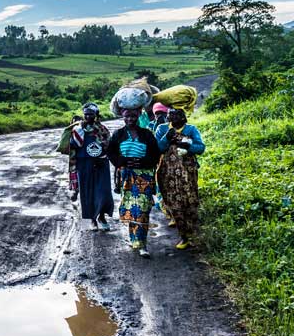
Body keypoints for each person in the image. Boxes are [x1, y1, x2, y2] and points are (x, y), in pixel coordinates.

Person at [106, 107, 161, 257]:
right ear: (123, 117)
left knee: (143, 209)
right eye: (127, 117)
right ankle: (135, 240)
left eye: (133, 116)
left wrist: (142, 162)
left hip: (145, 177)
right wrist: (122, 162)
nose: (130, 119)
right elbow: (110, 152)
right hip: (127, 177)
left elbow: (156, 154)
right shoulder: (118, 134)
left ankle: (142, 243)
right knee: (131, 208)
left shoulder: (146, 134)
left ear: (137, 117)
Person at [154, 108, 205, 250]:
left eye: (177, 115)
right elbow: (157, 148)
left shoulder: (191, 129)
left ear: (184, 118)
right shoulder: (162, 128)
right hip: (167, 173)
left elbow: (200, 148)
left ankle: (193, 234)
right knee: (174, 202)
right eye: (171, 115)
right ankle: (184, 236)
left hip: (187, 172)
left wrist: (187, 144)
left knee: (190, 200)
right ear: (168, 117)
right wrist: (167, 138)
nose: (174, 118)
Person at [69, 103, 112, 231]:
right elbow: (72, 146)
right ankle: (92, 220)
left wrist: (101, 157)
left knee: (103, 191)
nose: (88, 117)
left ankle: (102, 217)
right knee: (87, 193)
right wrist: (78, 133)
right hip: (84, 164)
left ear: (96, 115)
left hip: (100, 164)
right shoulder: (78, 129)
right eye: (86, 114)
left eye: (91, 114)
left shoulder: (102, 129)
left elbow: (108, 145)